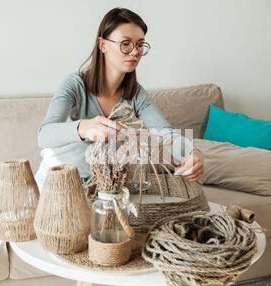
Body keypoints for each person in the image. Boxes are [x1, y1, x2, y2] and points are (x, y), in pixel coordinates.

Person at [34, 7, 203, 192]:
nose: (135, 52)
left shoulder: (137, 95)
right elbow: (44, 135)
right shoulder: (75, 85)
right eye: (125, 43)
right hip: (58, 181)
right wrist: (84, 127)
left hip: (104, 185)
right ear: (103, 45)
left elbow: (164, 133)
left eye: (140, 45)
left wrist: (192, 152)